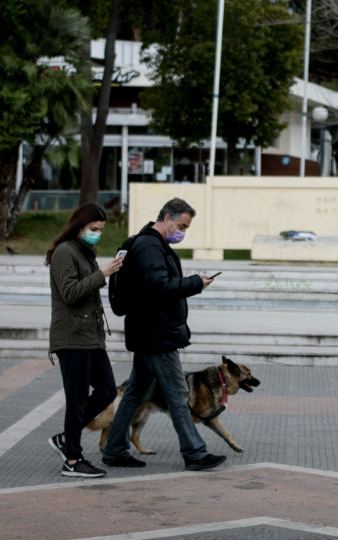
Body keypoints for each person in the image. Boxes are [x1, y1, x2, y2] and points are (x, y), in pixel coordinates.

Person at [102, 197, 224, 471]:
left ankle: (115, 449)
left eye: (187, 227)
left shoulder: (152, 245)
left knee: (136, 392)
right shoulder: (149, 246)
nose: (183, 231)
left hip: (150, 332)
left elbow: (156, 284)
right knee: (178, 392)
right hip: (155, 334)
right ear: (166, 219)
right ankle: (195, 453)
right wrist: (195, 283)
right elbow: (158, 287)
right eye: (181, 225)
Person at [45, 201, 124, 478]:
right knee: (77, 399)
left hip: (90, 337)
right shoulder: (65, 253)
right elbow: (70, 293)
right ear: (78, 226)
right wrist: (102, 274)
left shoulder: (84, 251)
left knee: (107, 391)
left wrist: (104, 272)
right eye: (93, 228)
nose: (97, 234)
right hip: (72, 338)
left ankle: (66, 439)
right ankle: (72, 461)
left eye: (100, 229)